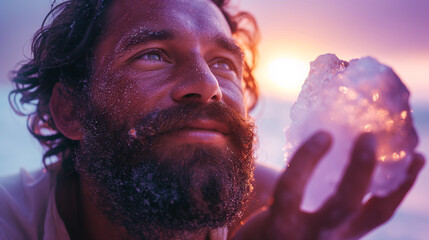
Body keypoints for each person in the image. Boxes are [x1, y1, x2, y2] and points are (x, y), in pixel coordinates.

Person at [1, 0, 425, 239]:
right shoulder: (12, 218)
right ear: (70, 110)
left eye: (224, 63)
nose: (208, 86)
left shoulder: (293, 217)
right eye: (153, 54)